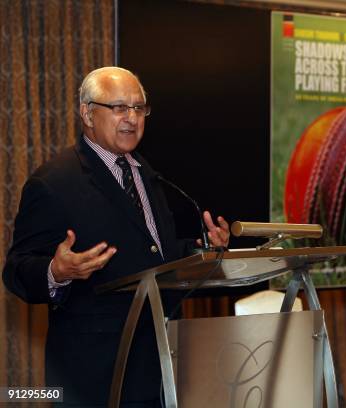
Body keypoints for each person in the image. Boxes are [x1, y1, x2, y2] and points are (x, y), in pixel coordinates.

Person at [2, 66, 230, 406]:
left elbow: (155, 254)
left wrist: (202, 249)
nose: (132, 118)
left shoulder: (146, 174)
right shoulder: (53, 183)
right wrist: (56, 271)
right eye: (120, 107)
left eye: (140, 108)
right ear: (87, 113)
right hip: (93, 376)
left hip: (159, 364)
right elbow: (16, 270)